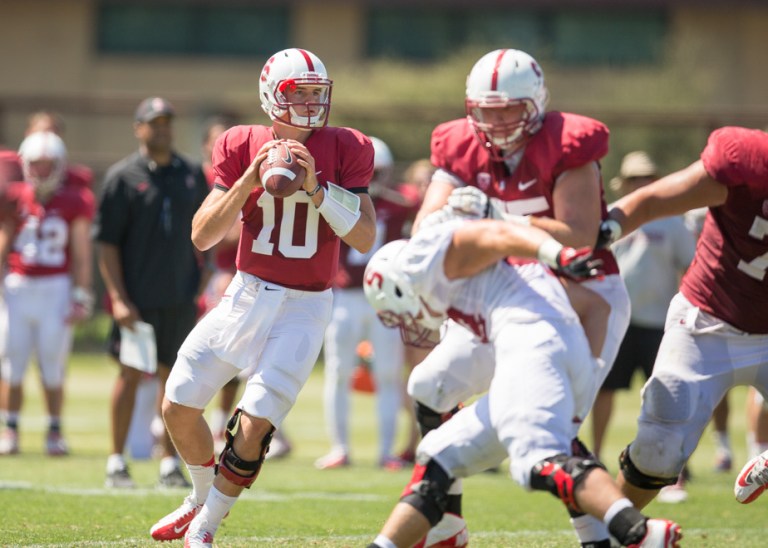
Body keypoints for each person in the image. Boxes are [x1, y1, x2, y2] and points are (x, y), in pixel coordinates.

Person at [149, 48, 376, 546]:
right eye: (302, 94)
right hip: (246, 294)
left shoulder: (348, 146)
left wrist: (317, 189)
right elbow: (202, 236)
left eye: (320, 93)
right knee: (177, 406)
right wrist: (249, 178)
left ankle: (206, 527)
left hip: (306, 303)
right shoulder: (238, 143)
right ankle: (199, 497)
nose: (314, 104)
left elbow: (364, 237)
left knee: (254, 427)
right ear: (271, 96)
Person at [406, 48, 631, 546]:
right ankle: (447, 523)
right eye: (486, 110)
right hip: (504, 296)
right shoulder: (458, 146)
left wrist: (491, 216)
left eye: (509, 108)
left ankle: (600, 537)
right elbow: (426, 231)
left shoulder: (569, 144)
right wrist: (446, 223)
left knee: (555, 428)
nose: (498, 120)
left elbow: (578, 234)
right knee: (429, 387)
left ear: (536, 105)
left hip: (581, 296)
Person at [362, 216, 682, 548]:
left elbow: (497, 231)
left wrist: (556, 254)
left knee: (536, 461)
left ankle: (639, 533)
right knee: (436, 453)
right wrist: (585, 374)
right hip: (555, 351)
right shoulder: (502, 279)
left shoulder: (431, 259)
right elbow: (596, 306)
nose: (408, 322)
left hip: (530, 350)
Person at [591, 126, 768, 512]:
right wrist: (599, 232)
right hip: (709, 322)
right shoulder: (747, 161)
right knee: (658, 446)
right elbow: (654, 201)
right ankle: (614, 531)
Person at [95, 97, 211, 488]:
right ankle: (116, 459)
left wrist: (203, 276)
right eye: (154, 122)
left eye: (167, 122)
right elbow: (107, 243)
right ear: (138, 128)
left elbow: (206, 231)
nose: (162, 129)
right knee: (130, 375)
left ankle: (168, 462)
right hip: (137, 297)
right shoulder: (121, 177)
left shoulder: (192, 173)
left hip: (179, 296)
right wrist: (118, 298)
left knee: (173, 380)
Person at [315, 136, 417, 471]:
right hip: (346, 296)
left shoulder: (398, 204)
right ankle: (340, 448)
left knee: (387, 375)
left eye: (378, 173)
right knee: (339, 373)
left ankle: (385, 451)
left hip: (382, 299)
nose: (373, 181)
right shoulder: (346, 201)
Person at [590, 152, 696, 460]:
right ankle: (595, 456)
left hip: (660, 324)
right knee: (604, 390)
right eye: (635, 178)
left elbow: (690, 266)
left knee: (666, 395)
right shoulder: (608, 218)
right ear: (624, 183)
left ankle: (672, 461)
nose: (641, 183)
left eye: (647, 177)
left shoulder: (673, 223)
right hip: (616, 322)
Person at [0, 131, 95, 456]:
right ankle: (10, 428)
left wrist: (81, 293)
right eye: (35, 165)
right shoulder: (14, 196)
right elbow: (5, 237)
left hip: (55, 288)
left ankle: (54, 429)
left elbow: (81, 252)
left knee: (52, 363)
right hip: (17, 286)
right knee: (12, 361)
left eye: (47, 165)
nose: (40, 171)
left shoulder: (75, 199)